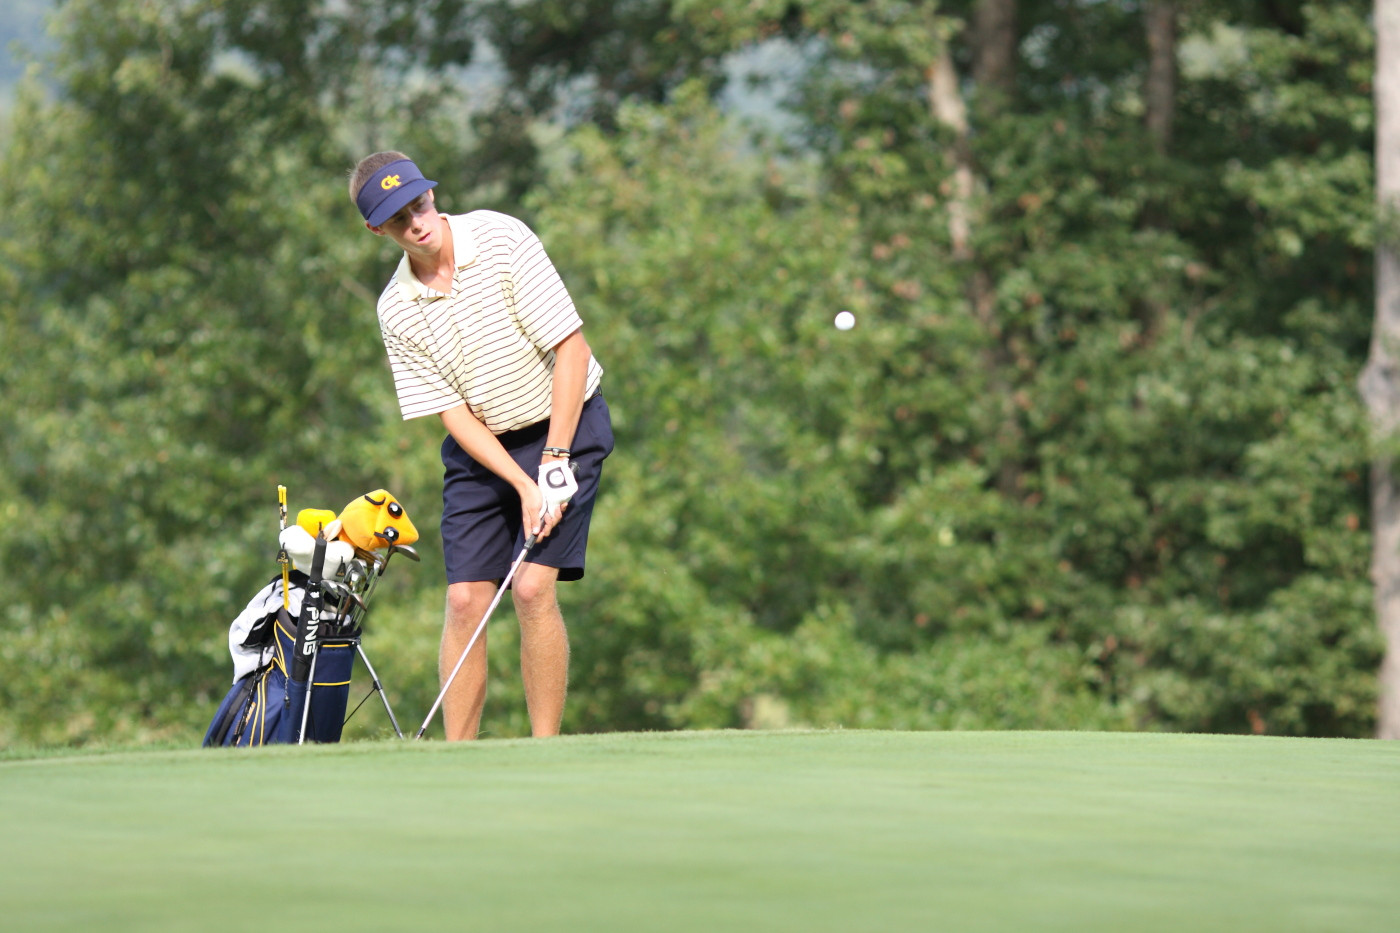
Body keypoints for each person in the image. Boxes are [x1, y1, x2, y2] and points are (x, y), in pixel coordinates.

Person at [348, 151, 612, 740]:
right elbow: (454, 414)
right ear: (377, 230)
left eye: (418, 203)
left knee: (532, 586)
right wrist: (520, 484)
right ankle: (457, 762)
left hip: (562, 424)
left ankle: (545, 752)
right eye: (397, 218)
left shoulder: (500, 238)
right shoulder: (396, 309)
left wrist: (552, 464)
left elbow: (573, 351)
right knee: (467, 599)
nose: (416, 221)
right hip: (484, 448)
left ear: (431, 195)